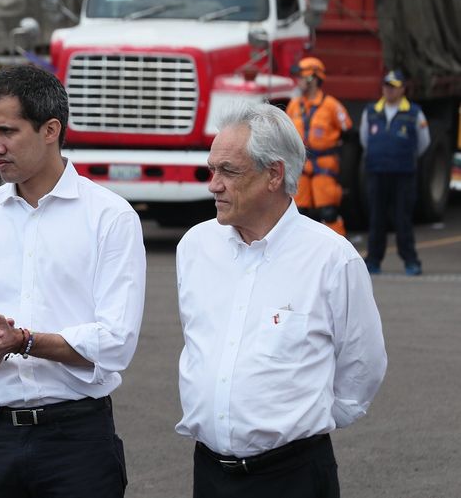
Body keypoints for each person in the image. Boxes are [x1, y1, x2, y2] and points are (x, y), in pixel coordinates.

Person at [0, 65, 146, 498]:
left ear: (51, 129)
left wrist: (24, 341)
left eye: (8, 131)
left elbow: (116, 341)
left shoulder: (109, 217)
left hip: (77, 440)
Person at [175, 101, 387, 498]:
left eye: (228, 171)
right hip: (209, 473)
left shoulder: (330, 258)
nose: (213, 184)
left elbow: (364, 366)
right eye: (212, 170)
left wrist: (307, 425)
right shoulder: (195, 247)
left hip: (293, 477)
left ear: (274, 174)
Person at [360, 69, 430, 275]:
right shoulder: (371, 111)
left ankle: (410, 261)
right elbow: (365, 140)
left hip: (403, 174)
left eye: (394, 87)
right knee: (376, 219)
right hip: (377, 172)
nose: (389, 91)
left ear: (402, 89)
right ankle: (373, 260)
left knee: (403, 219)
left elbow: (423, 142)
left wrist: (404, 157)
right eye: (386, 86)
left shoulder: (414, 112)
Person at [285, 57, 352, 236]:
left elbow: (348, 132)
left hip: (324, 166)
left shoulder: (331, 106)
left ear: (313, 78)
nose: (298, 80)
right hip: (301, 167)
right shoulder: (294, 105)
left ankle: (339, 251)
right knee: (299, 214)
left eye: (301, 76)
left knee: (328, 213)